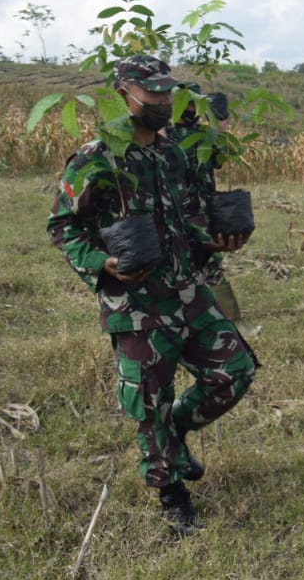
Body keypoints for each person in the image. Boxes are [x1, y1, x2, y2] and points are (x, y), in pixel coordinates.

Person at [48, 55, 259, 534]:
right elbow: (63, 226)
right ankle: (170, 492)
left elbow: (187, 217)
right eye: (154, 96)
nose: (164, 103)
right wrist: (103, 262)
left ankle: (179, 433)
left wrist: (217, 238)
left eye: (168, 93)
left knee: (235, 371)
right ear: (123, 93)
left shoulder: (173, 153)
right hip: (138, 301)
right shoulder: (96, 157)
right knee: (150, 401)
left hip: (187, 287)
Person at [165, 90, 260, 339]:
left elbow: (218, 156)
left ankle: (227, 323)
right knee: (205, 267)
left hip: (194, 211)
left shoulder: (187, 134)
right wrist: (219, 118)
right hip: (189, 213)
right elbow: (222, 146)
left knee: (206, 267)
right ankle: (230, 324)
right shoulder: (184, 137)